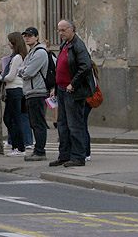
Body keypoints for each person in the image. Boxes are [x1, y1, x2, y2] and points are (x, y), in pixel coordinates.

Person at [49, 19, 92, 168]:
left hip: (73, 91)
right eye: (59, 30)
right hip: (61, 89)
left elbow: (85, 66)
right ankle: (64, 155)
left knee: (75, 125)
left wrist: (73, 83)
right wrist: (55, 86)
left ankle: (78, 156)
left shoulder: (78, 45)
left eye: (63, 30)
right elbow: (59, 67)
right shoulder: (65, 44)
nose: (60, 33)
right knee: (62, 124)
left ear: (72, 29)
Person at [18, 26, 50, 161]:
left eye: (30, 36)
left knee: (38, 123)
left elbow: (27, 72)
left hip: (38, 91)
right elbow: (22, 69)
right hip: (31, 92)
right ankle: (38, 150)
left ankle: (40, 151)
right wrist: (23, 71)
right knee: (34, 123)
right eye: (25, 36)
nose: (27, 38)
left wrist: (23, 71)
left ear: (37, 37)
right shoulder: (32, 52)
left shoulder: (40, 53)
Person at [0, 31, 29, 156]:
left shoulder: (17, 57)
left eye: (10, 41)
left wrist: (1, 77)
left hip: (15, 89)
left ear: (14, 42)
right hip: (12, 90)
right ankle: (16, 146)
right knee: (9, 118)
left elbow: (11, 76)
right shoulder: (15, 56)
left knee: (14, 119)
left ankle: (19, 147)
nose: (8, 44)